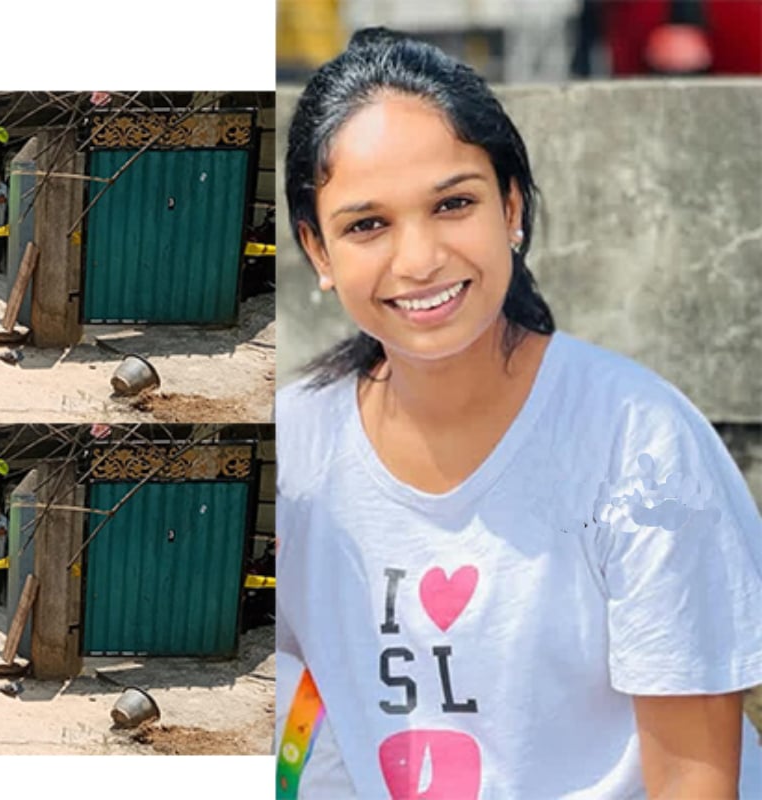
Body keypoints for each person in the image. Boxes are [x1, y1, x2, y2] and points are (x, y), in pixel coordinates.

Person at [276, 29, 762, 798]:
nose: (419, 259)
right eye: (367, 224)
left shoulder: (639, 448)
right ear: (318, 251)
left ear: (511, 207)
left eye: (453, 204)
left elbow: (692, 782)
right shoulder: (291, 455)